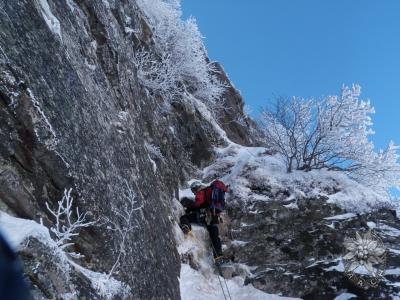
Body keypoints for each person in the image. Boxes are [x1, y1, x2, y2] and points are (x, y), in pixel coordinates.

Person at [180, 181, 225, 264]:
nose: (194, 193)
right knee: (215, 237)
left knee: (184, 217)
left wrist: (190, 208)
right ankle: (219, 256)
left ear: (196, 188)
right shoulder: (212, 195)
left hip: (203, 215)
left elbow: (198, 203)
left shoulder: (201, 192)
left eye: (193, 190)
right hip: (214, 217)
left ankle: (186, 227)